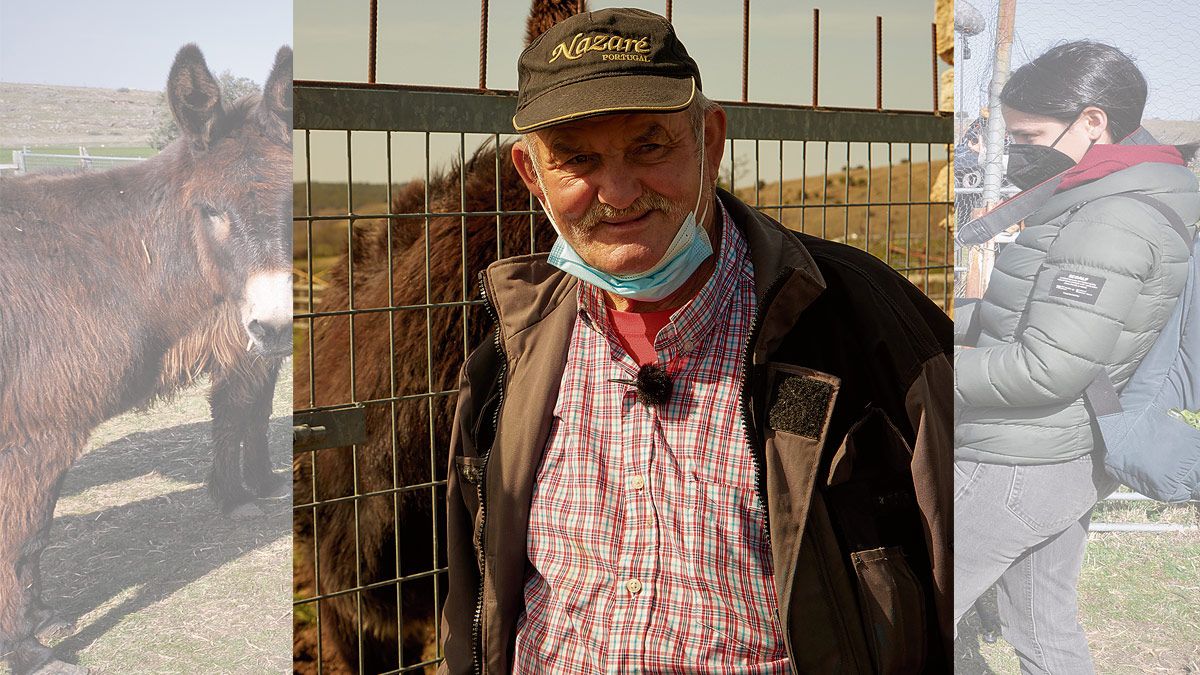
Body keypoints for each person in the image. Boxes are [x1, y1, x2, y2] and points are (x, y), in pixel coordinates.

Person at [440, 8, 953, 674]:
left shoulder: (866, 329)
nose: (617, 192)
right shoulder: (506, 365)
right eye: (577, 160)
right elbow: (470, 612)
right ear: (533, 175)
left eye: (649, 145)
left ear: (710, 139)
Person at [954, 41, 1200, 673]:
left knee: (900, 616)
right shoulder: (1107, 195)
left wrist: (925, 369)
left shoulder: (1110, 218)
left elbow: (1046, 367)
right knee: (1044, 629)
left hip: (1014, 460)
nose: (1017, 151)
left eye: (1029, 134)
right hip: (1059, 459)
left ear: (1093, 122)